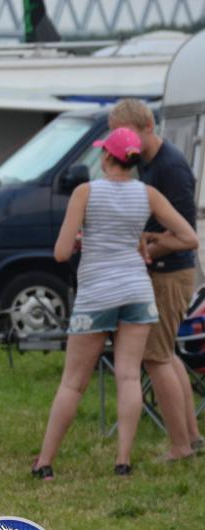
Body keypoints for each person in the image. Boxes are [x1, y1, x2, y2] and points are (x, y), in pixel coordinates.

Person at [32, 127, 198, 479]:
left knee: (73, 383)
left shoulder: (85, 192)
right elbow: (189, 237)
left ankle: (45, 463)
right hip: (137, 291)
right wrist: (149, 238)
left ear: (107, 156)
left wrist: (82, 240)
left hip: (97, 294)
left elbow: (61, 252)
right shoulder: (147, 193)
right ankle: (122, 461)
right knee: (129, 376)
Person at [109, 98, 204, 460]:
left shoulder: (171, 167)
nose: (120, 142)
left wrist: (146, 246)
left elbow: (184, 234)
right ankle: (191, 437)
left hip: (171, 272)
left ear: (148, 127)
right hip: (160, 269)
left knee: (155, 357)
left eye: (125, 133)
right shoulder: (146, 164)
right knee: (167, 355)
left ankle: (180, 446)